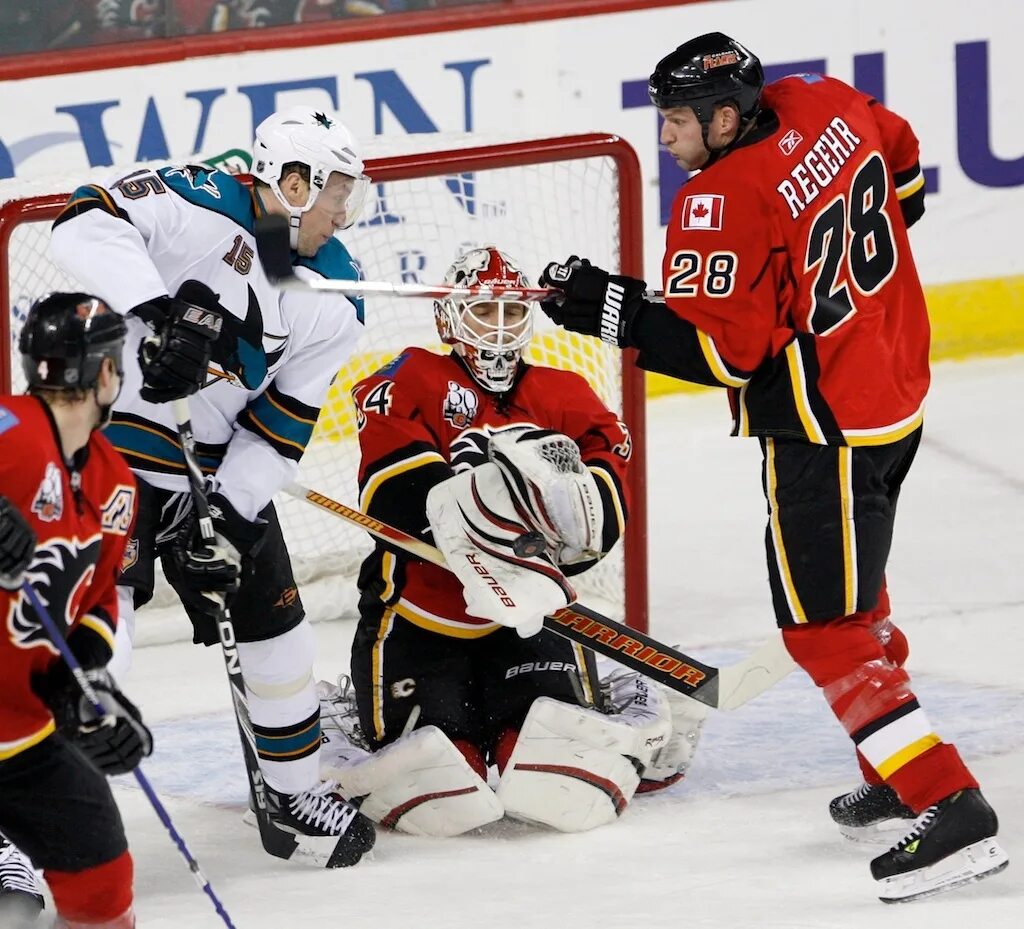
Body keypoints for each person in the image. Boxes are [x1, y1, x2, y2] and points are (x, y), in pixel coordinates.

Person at [537, 32, 1009, 902]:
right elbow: (903, 180)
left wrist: (606, 310)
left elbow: (725, 356)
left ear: (726, 116)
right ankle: (898, 763)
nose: (666, 138)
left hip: (821, 431)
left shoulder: (719, 198)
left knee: (821, 626)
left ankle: (951, 805)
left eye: (677, 120)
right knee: (857, 600)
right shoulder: (825, 102)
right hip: (895, 392)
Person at [47, 104, 376, 867]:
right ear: (292, 182)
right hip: (114, 453)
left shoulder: (336, 290)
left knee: (279, 629)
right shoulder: (194, 197)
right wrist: (160, 312)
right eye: (335, 194)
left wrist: (230, 513)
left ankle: (295, 789)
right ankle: (21, 829)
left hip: (216, 469)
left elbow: (283, 423)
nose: (343, 213)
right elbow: (80, 222)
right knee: (98, 636)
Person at [317, 246, 706, 837]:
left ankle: (635, 698)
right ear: (449, 319)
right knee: (438, 784)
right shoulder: (408, 376)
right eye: (483, 312)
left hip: (534, 621)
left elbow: (601, 517)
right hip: (421, 620)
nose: (499, 329)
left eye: (510, 313)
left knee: (558, 770)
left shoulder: (564, 392)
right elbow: (392, 494)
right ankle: (338, 719)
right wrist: (488, 508)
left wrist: (571, 520)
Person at [0, 293, 152, 929]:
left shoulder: (116, 483)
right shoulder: (10, 430)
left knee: (103, 877)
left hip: (23, 723)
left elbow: (95, 603)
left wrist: (83, 684)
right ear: (110, 373)